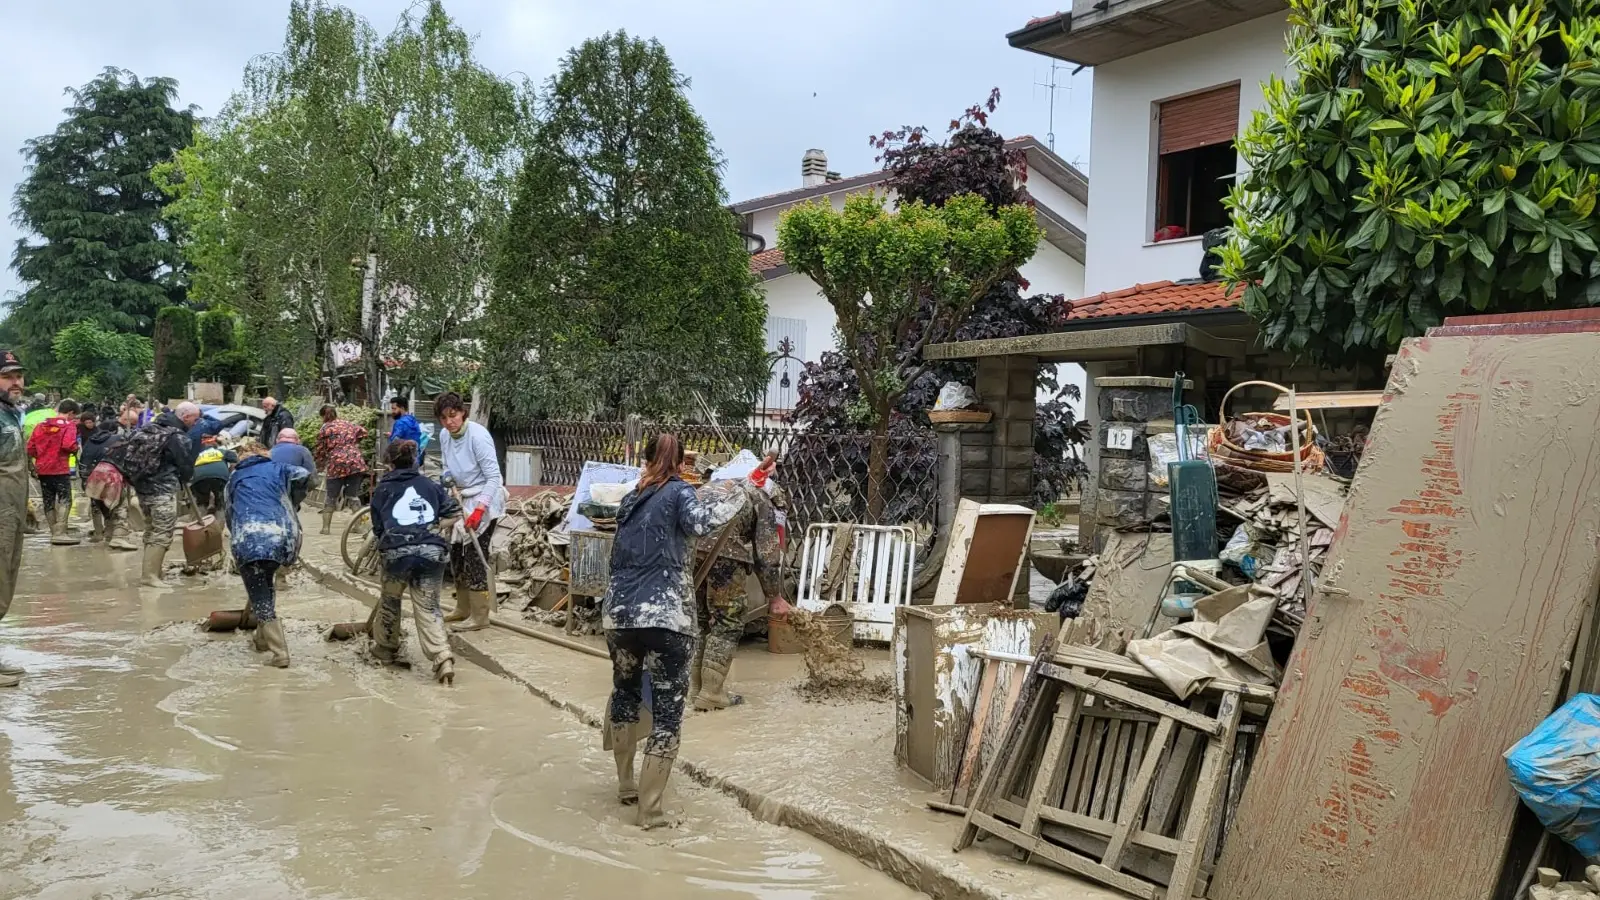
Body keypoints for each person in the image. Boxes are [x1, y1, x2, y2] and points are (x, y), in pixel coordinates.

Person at [602, 433, 748, 828]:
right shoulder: (682, 493)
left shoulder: (632, 499)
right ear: (683, 462)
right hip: (667, 619)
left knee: (626, 692)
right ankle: (649, 812)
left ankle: (626, 785)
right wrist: (744, 489)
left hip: (619, 617)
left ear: (646, 459)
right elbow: (703, 522)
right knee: (667, 713)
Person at [691, 468, 789, 712]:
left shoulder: (713, 486)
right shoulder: (762, 501)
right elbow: (766, 555)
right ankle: (712, 693)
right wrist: (775, 597)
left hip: (689, 551)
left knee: (700, 620)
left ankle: (695, 689)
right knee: (728, 620)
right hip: (725, 553)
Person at [367, 439, 458, 684]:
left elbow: (377, 528)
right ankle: (442, 657)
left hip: (396, 553)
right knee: (429, 607)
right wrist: (434, 527)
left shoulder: (382, 489)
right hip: (432, 552)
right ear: (415, 460)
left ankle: (386, 648)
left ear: (388, 463)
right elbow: (454, 513)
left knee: (391, 600)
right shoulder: (430, 484)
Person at [224, 439, 309, 668]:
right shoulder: (279, 468)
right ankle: (261, 640)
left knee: (260, 595)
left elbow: (229, 514)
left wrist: (236, 536)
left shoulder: (234, 478)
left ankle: (279, 653)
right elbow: (304, 474)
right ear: (265, 454)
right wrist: (293, 499)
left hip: (249, 539)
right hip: (283, 537)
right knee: (266, 584)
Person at [106, 401, 200, 587]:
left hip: (142, 489)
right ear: (186, 417)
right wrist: (186, 477)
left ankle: (154, 571)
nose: (195, 423)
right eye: (195, 420)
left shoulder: (147, 429)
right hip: (163, 491)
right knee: (163, 532)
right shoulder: (177, 436)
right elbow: (185, 465)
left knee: (151, 529)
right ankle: (150, 576)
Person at [435, 392, 505, 633]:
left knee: (475, 555)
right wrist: (446, 478)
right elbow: (446, 465)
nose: (449, 422)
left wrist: (479, 509)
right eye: (443, 418)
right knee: (456, 554)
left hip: (484, 497)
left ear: (462, 412)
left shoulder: (478, 436)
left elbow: (494, 477)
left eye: (453, 416)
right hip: (460, 497)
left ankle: (480, 616)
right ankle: (462, 608)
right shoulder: (445, 435)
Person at [0, 351, 31, 687]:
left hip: (11, 511)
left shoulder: (10, 415)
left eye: (19, 376)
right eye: (8, 376)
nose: (16, 382)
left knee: (5, 580)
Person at [26, 398, 81, 546]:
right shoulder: (68, 426)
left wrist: (40, 458)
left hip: (43, 469)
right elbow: (68, 444)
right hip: (60, 468)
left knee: (48, 500)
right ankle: (61, 532)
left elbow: (30, 448)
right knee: (65, 499)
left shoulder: (40, 425)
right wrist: (76, 448)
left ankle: (53, 531)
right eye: (74, 416)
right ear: (70, 413)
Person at [313, 404, 369, 535]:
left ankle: (326, 528)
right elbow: (363, 432)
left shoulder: (325, 429)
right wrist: (352, 443)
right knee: (353, 495)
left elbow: (320, 449)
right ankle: (359, 526)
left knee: (331, 495)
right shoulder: (348, 424)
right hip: (355, 461)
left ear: (322, 416)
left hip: (336, 463)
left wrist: (320, 462)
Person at [77, 413, 123, 543]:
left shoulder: (91, 440)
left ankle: (98, 533)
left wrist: (84, 480)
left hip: (90, 474)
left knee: (95, 503)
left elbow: (83, 460)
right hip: (109, 475)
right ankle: (110, 532)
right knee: (112, 504)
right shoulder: (117, 439)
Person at [269, 428, 316, 512]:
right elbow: (313, 480)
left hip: (270, 492)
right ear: (297, 440)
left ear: (277, 440)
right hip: (291, 495)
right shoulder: (303, 451)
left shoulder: (269, 452)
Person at [190, 436, 237, 515]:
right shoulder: (220, 451)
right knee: (221, 498)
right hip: (219, 477)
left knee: (201, 500)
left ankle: (202, 517)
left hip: (199, 478)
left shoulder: (196, 455)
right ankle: (220, 515)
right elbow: (235, 459)